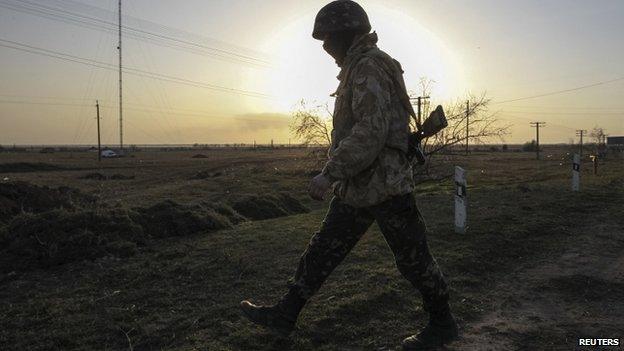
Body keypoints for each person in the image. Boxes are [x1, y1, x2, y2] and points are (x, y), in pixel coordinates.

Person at [240, 1, 458, 349]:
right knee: (323, 250)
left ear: (346, 34)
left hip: (385, 186)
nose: (326, 49)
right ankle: (286, 314)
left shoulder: (369, 66)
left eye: (329, 40)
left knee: (414, 260)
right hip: (359, 186)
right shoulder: (360, 66)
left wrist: (330, 173)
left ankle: (442, 323)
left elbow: (370, 131)